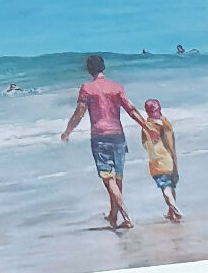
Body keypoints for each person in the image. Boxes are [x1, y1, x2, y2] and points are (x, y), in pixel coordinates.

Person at [61, 55, 151, 229]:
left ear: (89, 70)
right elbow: (131, 110)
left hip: (99, 137)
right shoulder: (116, 87)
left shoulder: (87, 88)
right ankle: (113, 216)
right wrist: (147, 127)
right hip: (118, 135)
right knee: (117, 178)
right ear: (103, 67)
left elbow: (79, 113)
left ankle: (125, 215)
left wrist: (67, 131)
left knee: (108, 179)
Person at [141, 98, 182, 222]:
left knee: (165, 187)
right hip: (169, 158)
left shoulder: (147, 125)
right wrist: (174, 159)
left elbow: (146, 144)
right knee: (171, 185)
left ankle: (174, 208)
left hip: (157, 160)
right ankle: (171, 212)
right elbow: (170, 143)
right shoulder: (166, 123)